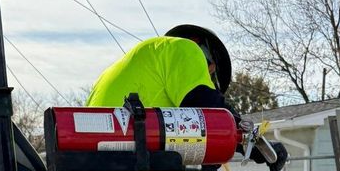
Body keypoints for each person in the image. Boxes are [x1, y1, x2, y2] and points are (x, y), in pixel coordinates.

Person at [87, 25, 232, 110]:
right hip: (131, 157)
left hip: (86, 157)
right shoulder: (185, 48)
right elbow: (206, 103)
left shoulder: (106, 75)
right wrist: (244, 131)